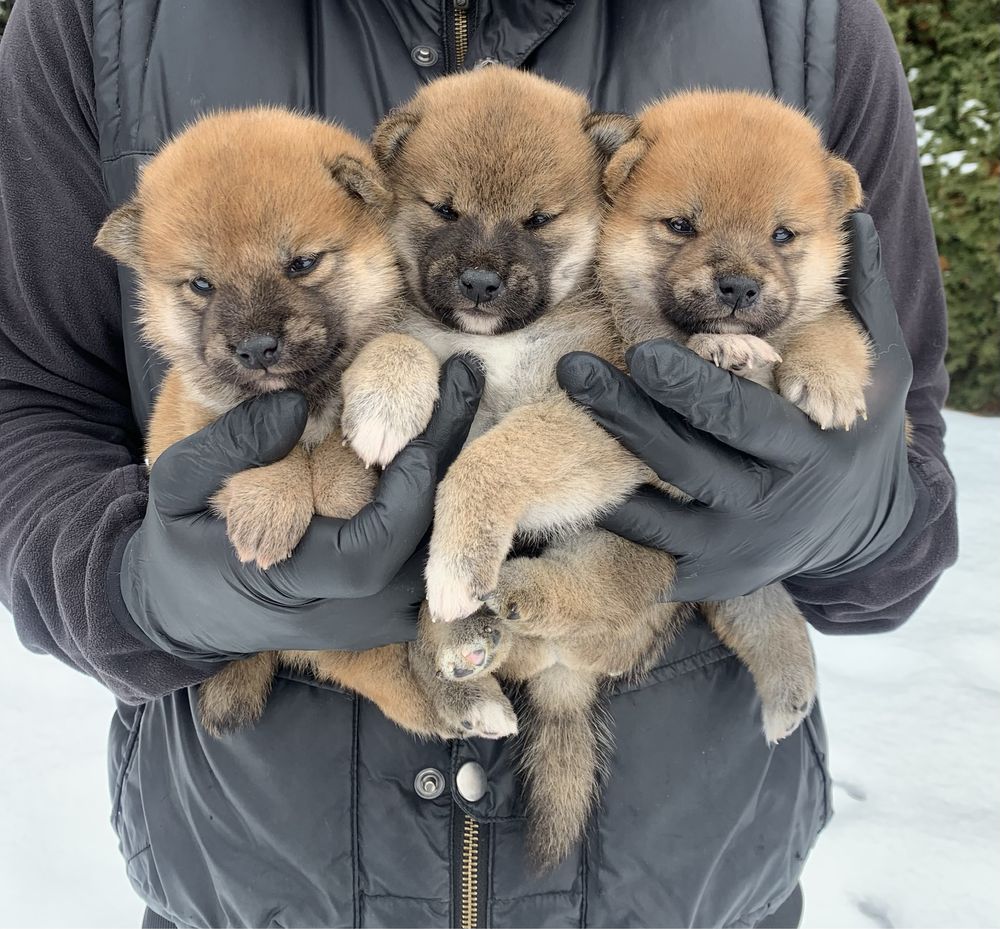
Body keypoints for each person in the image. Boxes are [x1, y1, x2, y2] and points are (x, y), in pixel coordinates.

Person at [0, 0, 957, 926]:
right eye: (441, 212)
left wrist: (866, 513)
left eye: (545, 223)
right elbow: (26, 398)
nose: (488, 266)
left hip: (697, 875)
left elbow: (903, 491)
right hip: (245, 872)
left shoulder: (809, 22)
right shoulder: (102, 17)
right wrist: (138, 590)